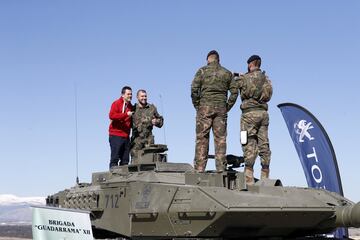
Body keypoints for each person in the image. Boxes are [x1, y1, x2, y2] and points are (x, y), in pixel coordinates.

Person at [191, 50, 238, 172]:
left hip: (204, 108)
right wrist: (227, 106)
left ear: (208, 59)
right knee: (220, 139)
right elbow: (234, 91)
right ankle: (221, 169)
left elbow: (194, 89)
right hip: (221, 109)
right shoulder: (227, 73)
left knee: (202, 138)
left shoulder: (202, 71)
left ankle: (199, 169)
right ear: (218, 59)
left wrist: (198, 105)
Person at [234, 55, 273, 184]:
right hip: (263, 114)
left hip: (248, 116)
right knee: (264, 143)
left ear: (250, 64)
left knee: (247, 141)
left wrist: (240, 76)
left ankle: (249, 177)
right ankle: (265, 176)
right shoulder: (266, 79)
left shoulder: (244, 78)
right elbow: (269, 95)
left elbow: (233, 84)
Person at [131, 89, 163, 163]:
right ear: (137, 97)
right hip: (136, 142)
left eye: (145, 96)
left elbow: (160, 121)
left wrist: (156, 121)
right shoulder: (133, 108)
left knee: (149, 164)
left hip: (149, 141)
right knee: (135, 165)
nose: (144, 98)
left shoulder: (152, 108)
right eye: (142, 96)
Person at [108, 86, 133, 169]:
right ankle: (113, 179)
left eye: (131, 94)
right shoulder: (116, 103)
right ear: (123, 95)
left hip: (126, 136)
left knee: (125, 160)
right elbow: (111, 115)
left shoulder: (130, 106)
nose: (130, 96)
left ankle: (125, 179)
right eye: (128, 94)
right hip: (116, 135)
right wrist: (126, 114)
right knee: (115, 159)